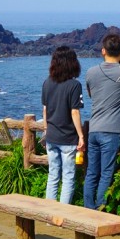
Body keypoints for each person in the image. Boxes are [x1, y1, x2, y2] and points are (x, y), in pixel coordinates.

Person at [83, 33, 120, 210]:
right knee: (106, 173)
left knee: (92, 172)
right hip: (112, 130)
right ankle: (100, 210)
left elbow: (91, 94)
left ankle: (88, 208)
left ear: (103, 50)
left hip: (94, 129)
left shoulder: (91, 72)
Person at [42, 46, 85, 205]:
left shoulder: (47, 82)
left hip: (51, 136)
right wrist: (81, 135)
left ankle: (49, 213)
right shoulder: (74, 85)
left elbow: (45, 109)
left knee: (53, 175)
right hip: (67, 138)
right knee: (68, 177)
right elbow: (75, 112)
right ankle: (62, 213)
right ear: (72, 63)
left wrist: (46, 130)